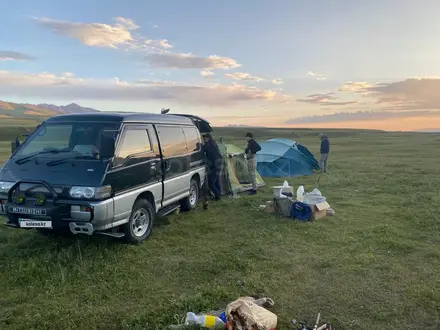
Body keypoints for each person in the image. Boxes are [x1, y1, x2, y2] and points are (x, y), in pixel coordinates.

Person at [202, 134, 222, 200]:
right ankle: (219, 193)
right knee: (216, 181)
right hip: (218, 164)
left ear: (208, 138)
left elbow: (203, 149)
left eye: (205, 139)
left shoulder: (209, 144)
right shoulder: (214, 144)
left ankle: (217, 196)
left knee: (211, 182)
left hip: (214, 165)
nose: (204, 140)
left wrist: (199, 145)